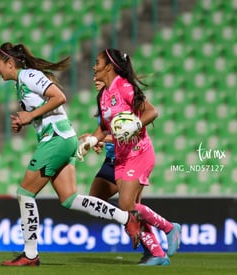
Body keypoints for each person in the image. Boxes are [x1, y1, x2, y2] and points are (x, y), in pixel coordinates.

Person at [0, 42, 142, 266]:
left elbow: (59, 97)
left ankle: (30, 254)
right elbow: (46, 107)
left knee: (25, 193)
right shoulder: (23, 82)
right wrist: (25, 120)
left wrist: (29, 117)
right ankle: (126, 217)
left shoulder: (28, 76)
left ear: (10, 63)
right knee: (69, 199)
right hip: (63, 137)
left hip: (56, 139)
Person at [77, 49, 181, 266]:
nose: (93, 67)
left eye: (97, 63)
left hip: (139, 152)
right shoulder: (103, 96)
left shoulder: (125, 87)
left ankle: (169, 229)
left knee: (127, 205)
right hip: (120, 158)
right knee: (106, 204)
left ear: (108, 66)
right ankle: (157, 253)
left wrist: (135, 125)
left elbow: (151, 112)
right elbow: (105, 128)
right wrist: (90, 142)